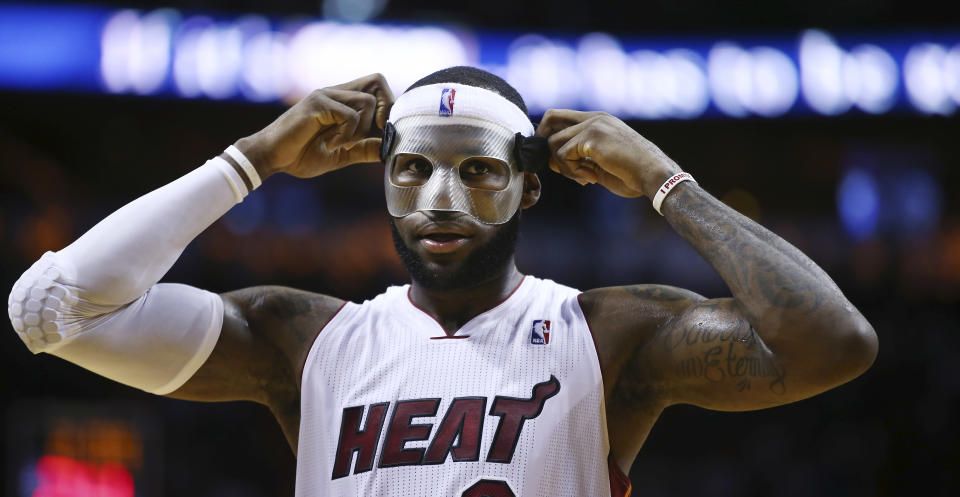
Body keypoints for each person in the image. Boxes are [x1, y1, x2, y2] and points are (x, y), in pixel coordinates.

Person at [7, 67, 878, 496]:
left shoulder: (609, 333)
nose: (440, 199)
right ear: (381, 178)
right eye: (413, 167)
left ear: (530, 185)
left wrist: (666, 182)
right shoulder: (305, 339)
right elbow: (51, 309)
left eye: (479, 172)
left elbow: (833, 343)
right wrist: (253, 158)